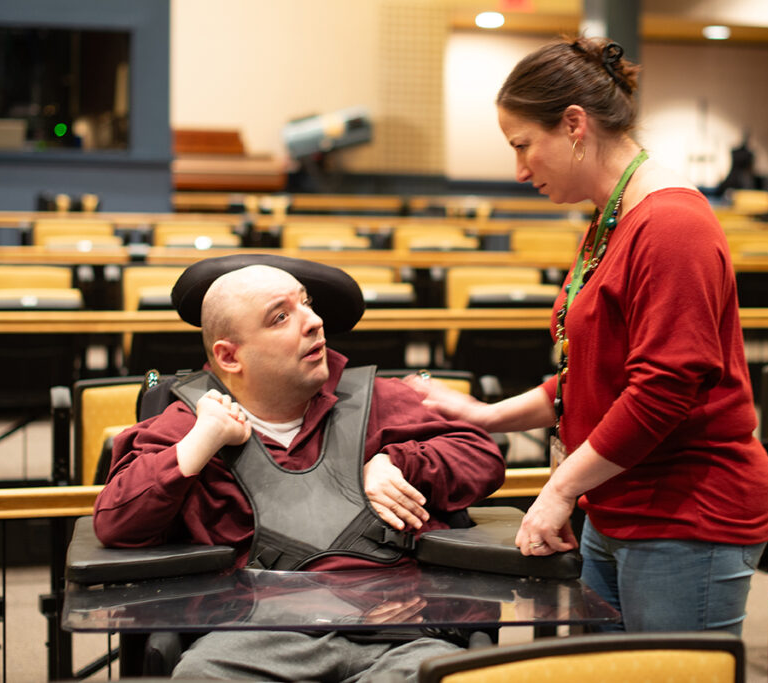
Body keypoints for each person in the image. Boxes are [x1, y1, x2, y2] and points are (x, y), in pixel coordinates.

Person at [406, 37, 768, 636]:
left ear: (575, 124)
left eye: (524, 146)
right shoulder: (613, 216)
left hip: (686, 511)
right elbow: (592, 371)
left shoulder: (671, 224)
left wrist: (559, 488)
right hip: (618, 498)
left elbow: (664, 388)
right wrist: (483, 414)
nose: (520, 170)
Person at [93, 253, 505, 681]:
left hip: (397, 630)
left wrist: (395, 461)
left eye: (307, 304)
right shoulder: (187, 423)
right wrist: (199, 444)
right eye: (280, 317)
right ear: (230, 357)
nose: (313, 321)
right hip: (256, 634)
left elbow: (482, 455)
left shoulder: (374, 398)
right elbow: (115, 523)